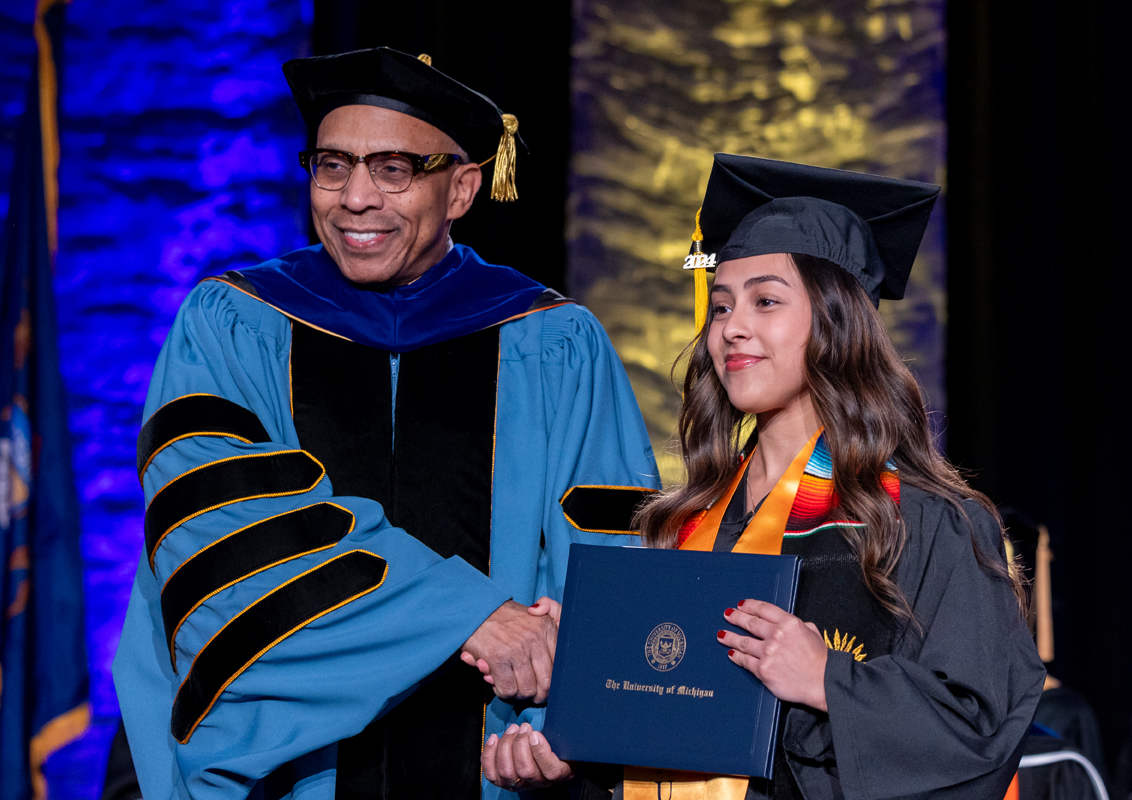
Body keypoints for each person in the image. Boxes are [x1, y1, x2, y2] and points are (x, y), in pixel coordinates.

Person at [112, 47, 659, 800]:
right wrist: (472, 616)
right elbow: (220, 526)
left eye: (394, 169)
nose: (355, 198)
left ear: (463, 188)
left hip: (497, 770)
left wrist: (574, 727)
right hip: (293, 777)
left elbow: (609, 548)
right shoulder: (234, 324)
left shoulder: (553, 340)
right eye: (331, 166)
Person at [480, 154, 1045, 799]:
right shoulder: (682, 521)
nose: (731, 329)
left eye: (765, 301)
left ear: (837, 323)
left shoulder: (920, 519)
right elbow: (668, 721)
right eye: (720, 308)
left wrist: (826, 680)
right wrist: (575, 722)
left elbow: (982, 727)